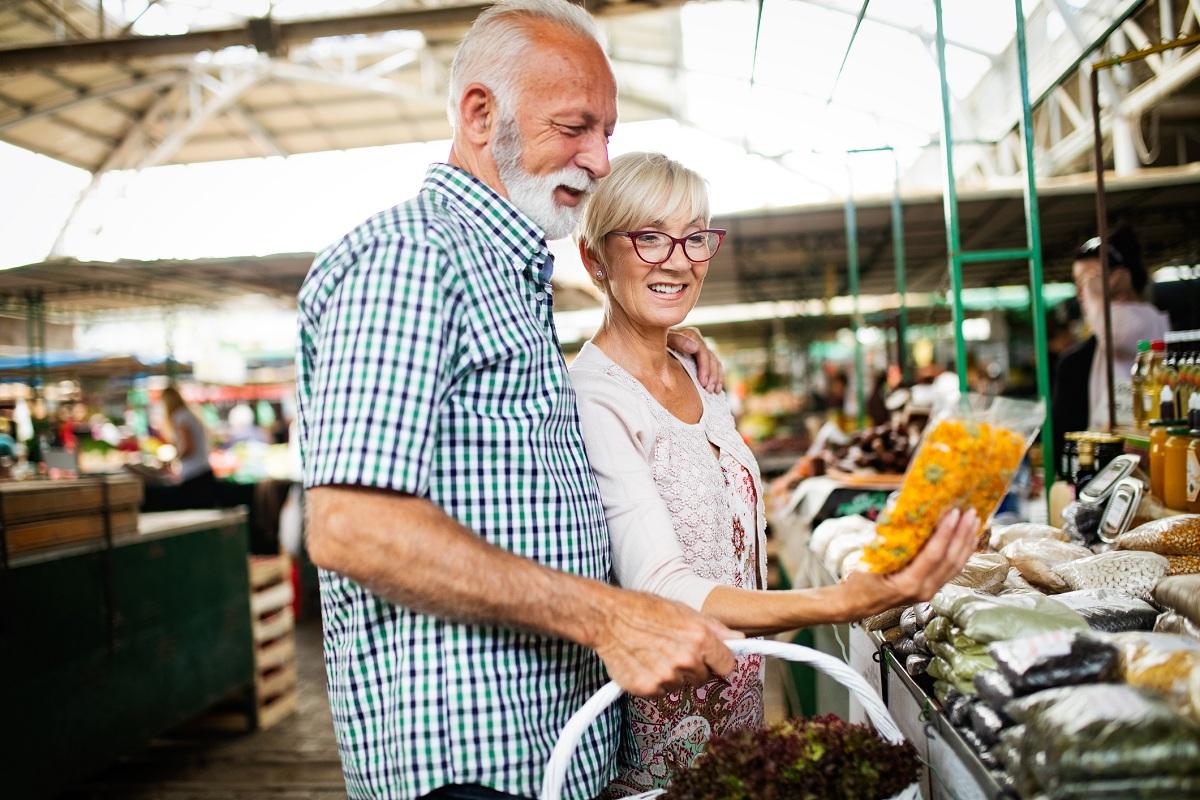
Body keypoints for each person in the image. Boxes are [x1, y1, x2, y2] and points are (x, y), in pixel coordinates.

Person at [297, 3, 750, 799]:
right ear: (481, 114)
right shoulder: (411, 256)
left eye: (607, 132)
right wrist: (608, 617)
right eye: (576, 126)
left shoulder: (505, 274)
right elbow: (353, 529)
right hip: (469, 770)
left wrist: (669, 339)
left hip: (552, 752)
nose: (601, 160)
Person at [570, 152, 981, 794]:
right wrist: (841, 600)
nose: (678, 259)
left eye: (695, 236)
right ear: (595, 258)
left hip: (738, 700)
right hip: (661, 725)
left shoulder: (698, 373)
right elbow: (664, 588)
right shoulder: (595, 398)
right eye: (648, 237)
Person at [1052, 234, 1169, 467]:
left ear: (1120, 278)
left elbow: (1116, 332)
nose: (1081, 292)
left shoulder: (1141, 320)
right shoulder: (1084, 353)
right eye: (1078, 283)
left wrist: (1096, 292)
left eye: (1089, 279)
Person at [159, 386, 217, 508]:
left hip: (194, 475)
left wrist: (172, 459)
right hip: (202, 471)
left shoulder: (180, 417)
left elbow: (188, 447)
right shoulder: (188, 414)